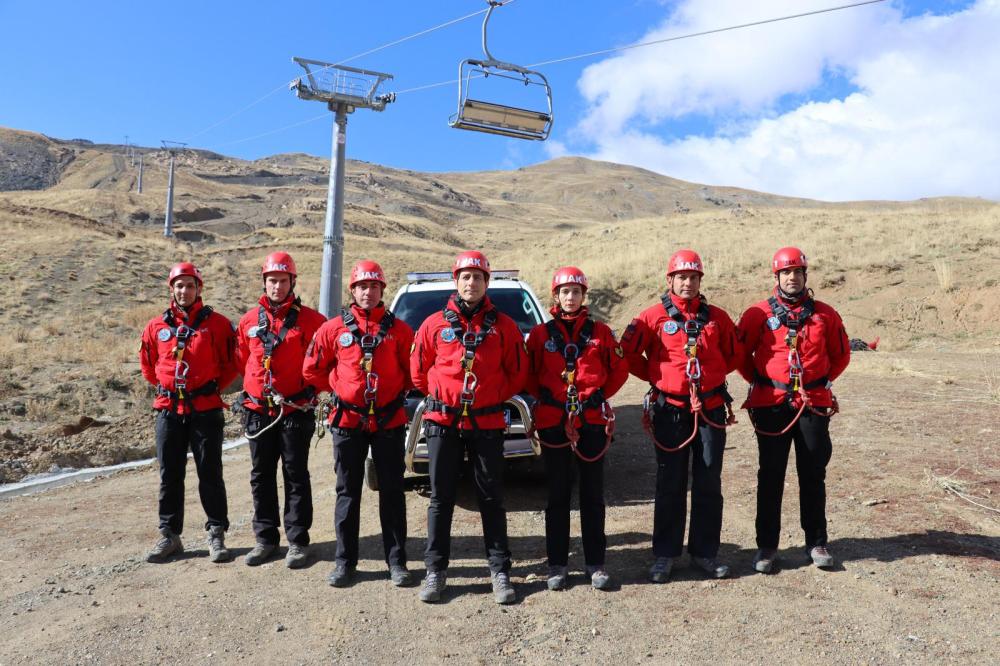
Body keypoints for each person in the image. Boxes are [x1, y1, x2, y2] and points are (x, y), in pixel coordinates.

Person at [410, 250, 528, 604]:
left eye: (478, 277)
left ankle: (499, 570)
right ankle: (435, 572)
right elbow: (418, 372)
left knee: (491, 497)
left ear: (486, 283)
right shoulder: (433, 325)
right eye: (465, 277)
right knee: (440, 498)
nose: (471, 283)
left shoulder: (504, 326)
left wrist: (489, 397)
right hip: (442, 421)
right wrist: (444, 396)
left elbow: (518, 372)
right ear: (456, 281)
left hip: (488, 422)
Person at [620, 250, 739, 582]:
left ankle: (705, 553)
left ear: (701, 281)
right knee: (670, 482)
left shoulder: (718, 317)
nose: (687, 283)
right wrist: (658, 377)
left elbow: (732, 355)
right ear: (670, 280)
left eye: (693, 277)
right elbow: (628, 355)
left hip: (710, 408)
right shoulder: (651, 316)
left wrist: (710, 378)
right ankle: (665, 554)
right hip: (669, 409)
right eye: (681, 277)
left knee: (708, 481)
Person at [736, 247, 850, 573]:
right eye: (786, 273)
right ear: (777, 277)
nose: (792, 277)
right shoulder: (757, 314)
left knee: (813, 474)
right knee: (770, 476)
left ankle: (816, 542)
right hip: (771, 406)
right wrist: (768, 383)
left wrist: (818, 384)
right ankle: (767, 547)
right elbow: (741, 357)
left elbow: (840, 356)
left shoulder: (825, 314)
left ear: (805, 276)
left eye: (797, 272)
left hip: (813, 405)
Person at [302, 260, 415, 588]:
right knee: (347, 493)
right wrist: (338, 389)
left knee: (393, 492)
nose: (368, 292)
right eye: (362, 286)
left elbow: (412, 373)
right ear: (353, 291)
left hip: (388, 421)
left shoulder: (399, 330)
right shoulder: (332, 328)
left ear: (382, 291)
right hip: (347, 420)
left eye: (374, 286)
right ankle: (344, 562)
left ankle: (397, 562)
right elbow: (312, 369)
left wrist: (391, 395)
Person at [525, 266, 628, 591]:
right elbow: (528, 373)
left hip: (592, 423)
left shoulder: (601, 333)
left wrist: (595, 398)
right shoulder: (541, 336)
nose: (571, 297)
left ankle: (595, 563)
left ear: (584, 295)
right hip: (554, 422)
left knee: (593, 495)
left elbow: (619, 370)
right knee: (556, 495)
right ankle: (557, 564)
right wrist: (546, 399)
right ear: (556, 296)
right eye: (565, 292)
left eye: (576, 292)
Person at [139, 262, 239, 564]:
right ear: (172, 289)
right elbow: (149, 367)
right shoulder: (156, 326)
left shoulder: (218, 325)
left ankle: (216, 532)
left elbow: (230, 365)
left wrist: (205, 390)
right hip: (169, 410)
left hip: (206, 410)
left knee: (210, 473)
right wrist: (171, 389)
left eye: (190, 285)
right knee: (170, 474)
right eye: (179, 285)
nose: (184, 291)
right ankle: (170, 535)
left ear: (199, 289)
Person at [236, 251, 326, 569]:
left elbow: (325, 363)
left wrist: (310, 393)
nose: (277, 286)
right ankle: (265, 539)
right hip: (258, 411)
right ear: (265, 282)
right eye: (272, 281)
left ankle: (298, 541)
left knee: (295, 474)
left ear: (292, 282)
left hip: (295, 410)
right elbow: (240, 359)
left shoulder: (313, 322)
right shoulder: (249, 321)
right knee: (260, 475)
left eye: (283, 280)